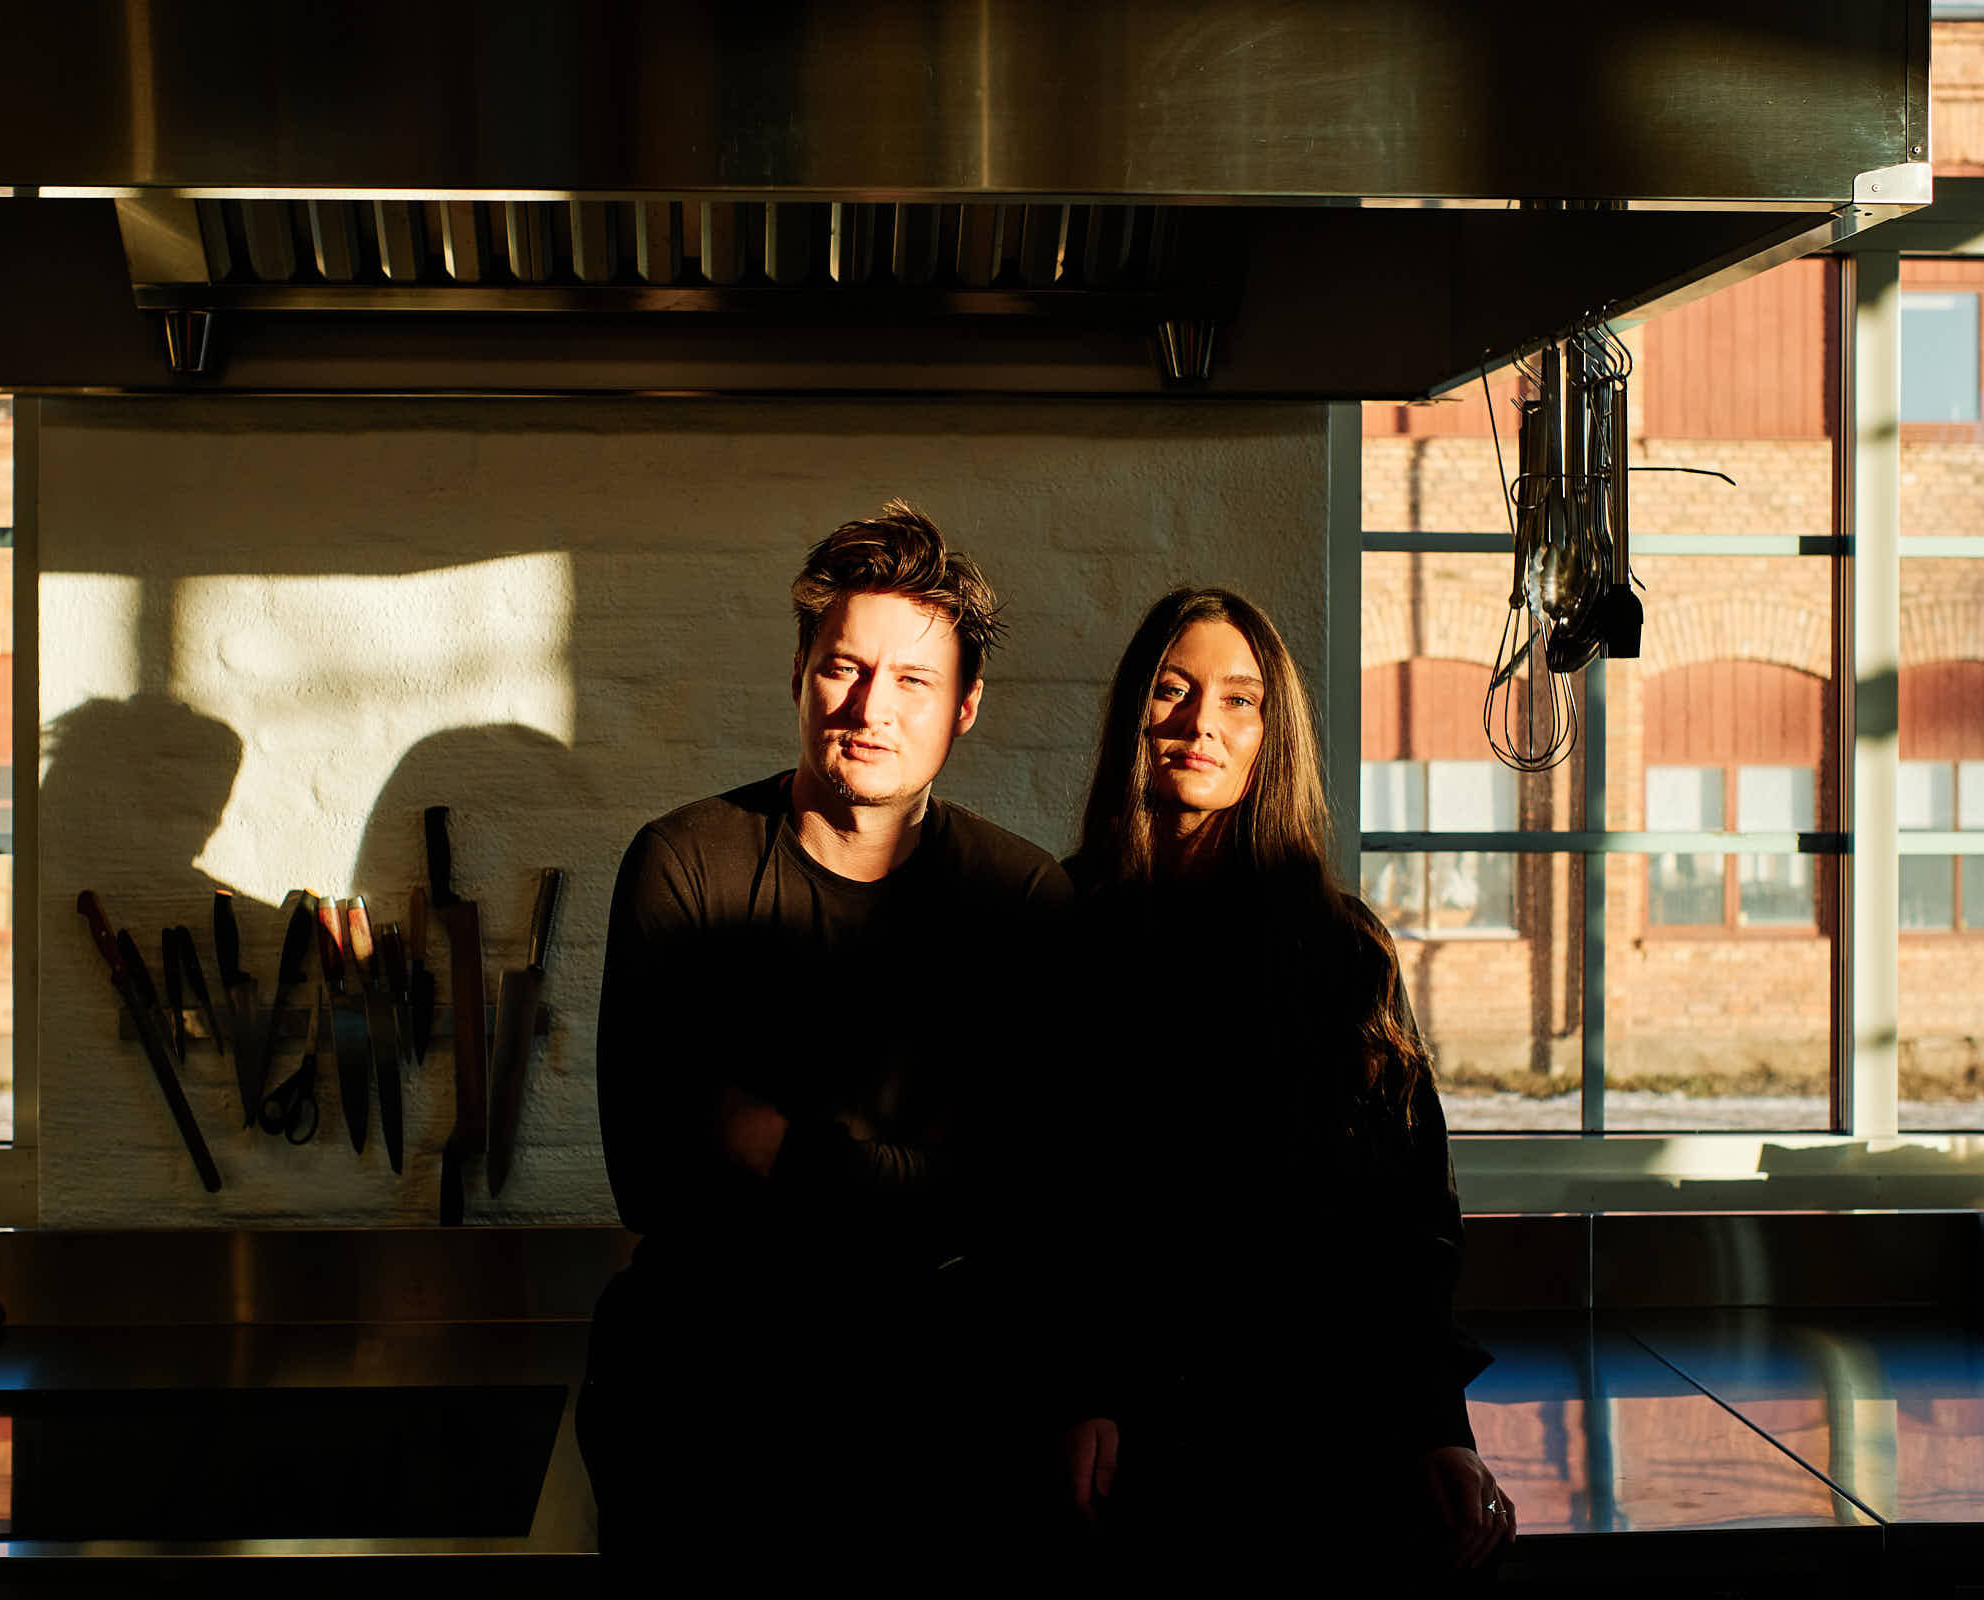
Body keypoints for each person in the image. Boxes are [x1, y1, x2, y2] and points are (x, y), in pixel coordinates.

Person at [580, 501, 1073, 1570]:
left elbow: (1013, 1202)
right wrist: (911, 1178)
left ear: (966, 708)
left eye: (912, 682)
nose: (869, 707)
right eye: (844, 667)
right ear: (799, 670)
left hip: (935, 1431)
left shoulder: (1021, 901)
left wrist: (772, 1144)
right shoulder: (684, 866)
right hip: (700, 1426)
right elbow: (652, 1180)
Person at [1054, 586, 1509, 1578]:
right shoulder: (1067, 924)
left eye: (1237, 700)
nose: (1199, 724)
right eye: (1172, 691)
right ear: (1135, 710)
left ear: (1274, 733)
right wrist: (1081, 1389)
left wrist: (1440, 1419)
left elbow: (1411, 1208)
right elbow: (1046, 1198)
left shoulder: (1343, 947)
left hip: (1326, 1433)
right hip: (1141, 1433)